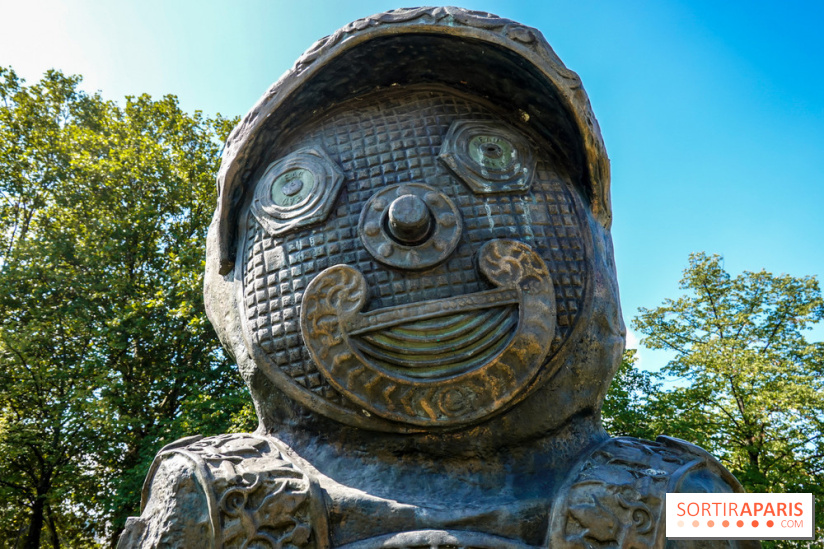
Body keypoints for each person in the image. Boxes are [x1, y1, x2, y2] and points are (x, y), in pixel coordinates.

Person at [118, 8, 756, 549]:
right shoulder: (217, 500)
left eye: (493, 157)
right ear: (229, 277)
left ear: (594, 243)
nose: (410, 218)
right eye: (302, 191)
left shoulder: (679, 498)